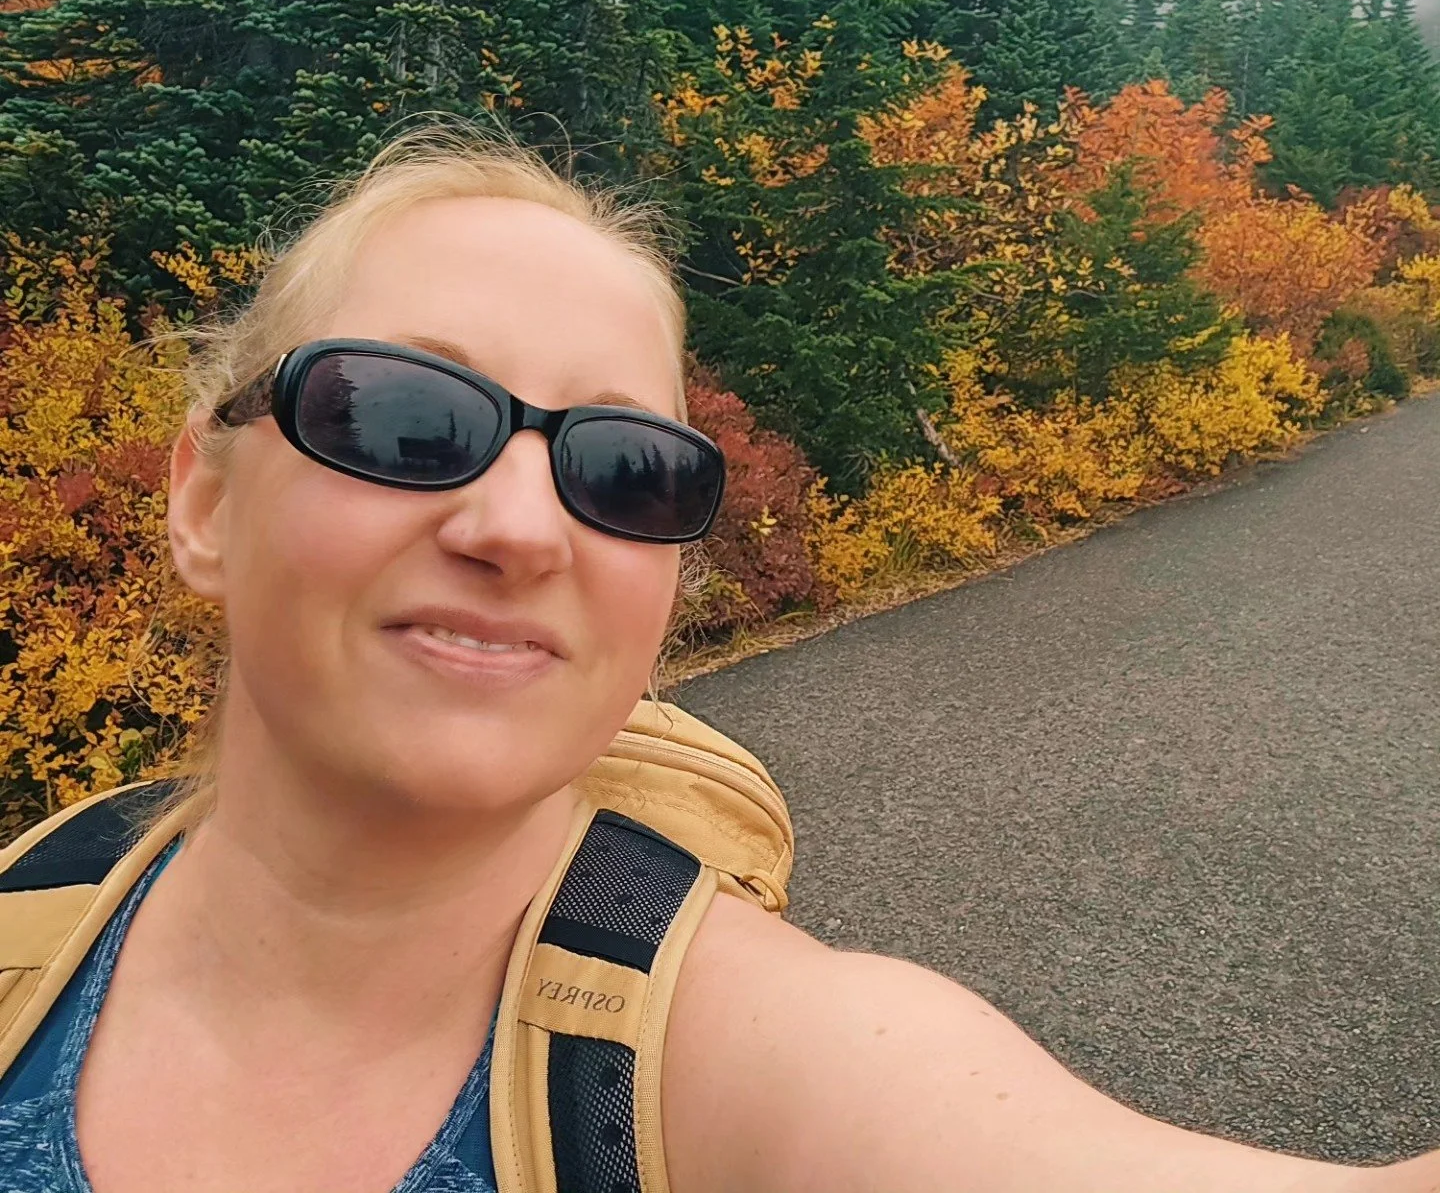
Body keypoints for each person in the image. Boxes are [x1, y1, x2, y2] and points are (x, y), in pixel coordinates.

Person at [0, 127, 1435, 1193]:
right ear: (205, 500)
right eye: (403, 417)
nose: (519, 528)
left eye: (625, 468)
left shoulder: (757, 1062)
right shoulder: (28, 923)